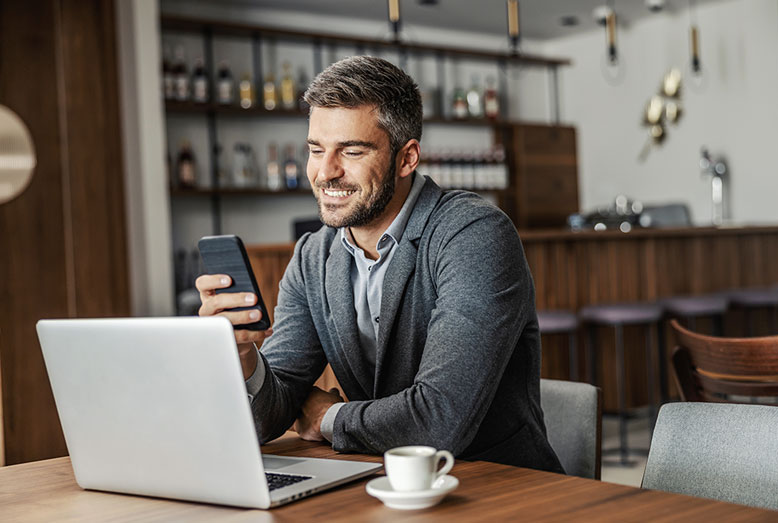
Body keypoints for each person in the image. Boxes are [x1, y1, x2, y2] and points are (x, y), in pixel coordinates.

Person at [197, 56, 563, 473]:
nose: (325, 172)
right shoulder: (312, 256)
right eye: (316, 150)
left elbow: (439, 421)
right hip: (381, 483)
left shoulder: (474, 234)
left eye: (351, 151)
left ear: (407, 158)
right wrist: (243, 355)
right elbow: (273, 409)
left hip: (502, 489)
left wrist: (328, 417)